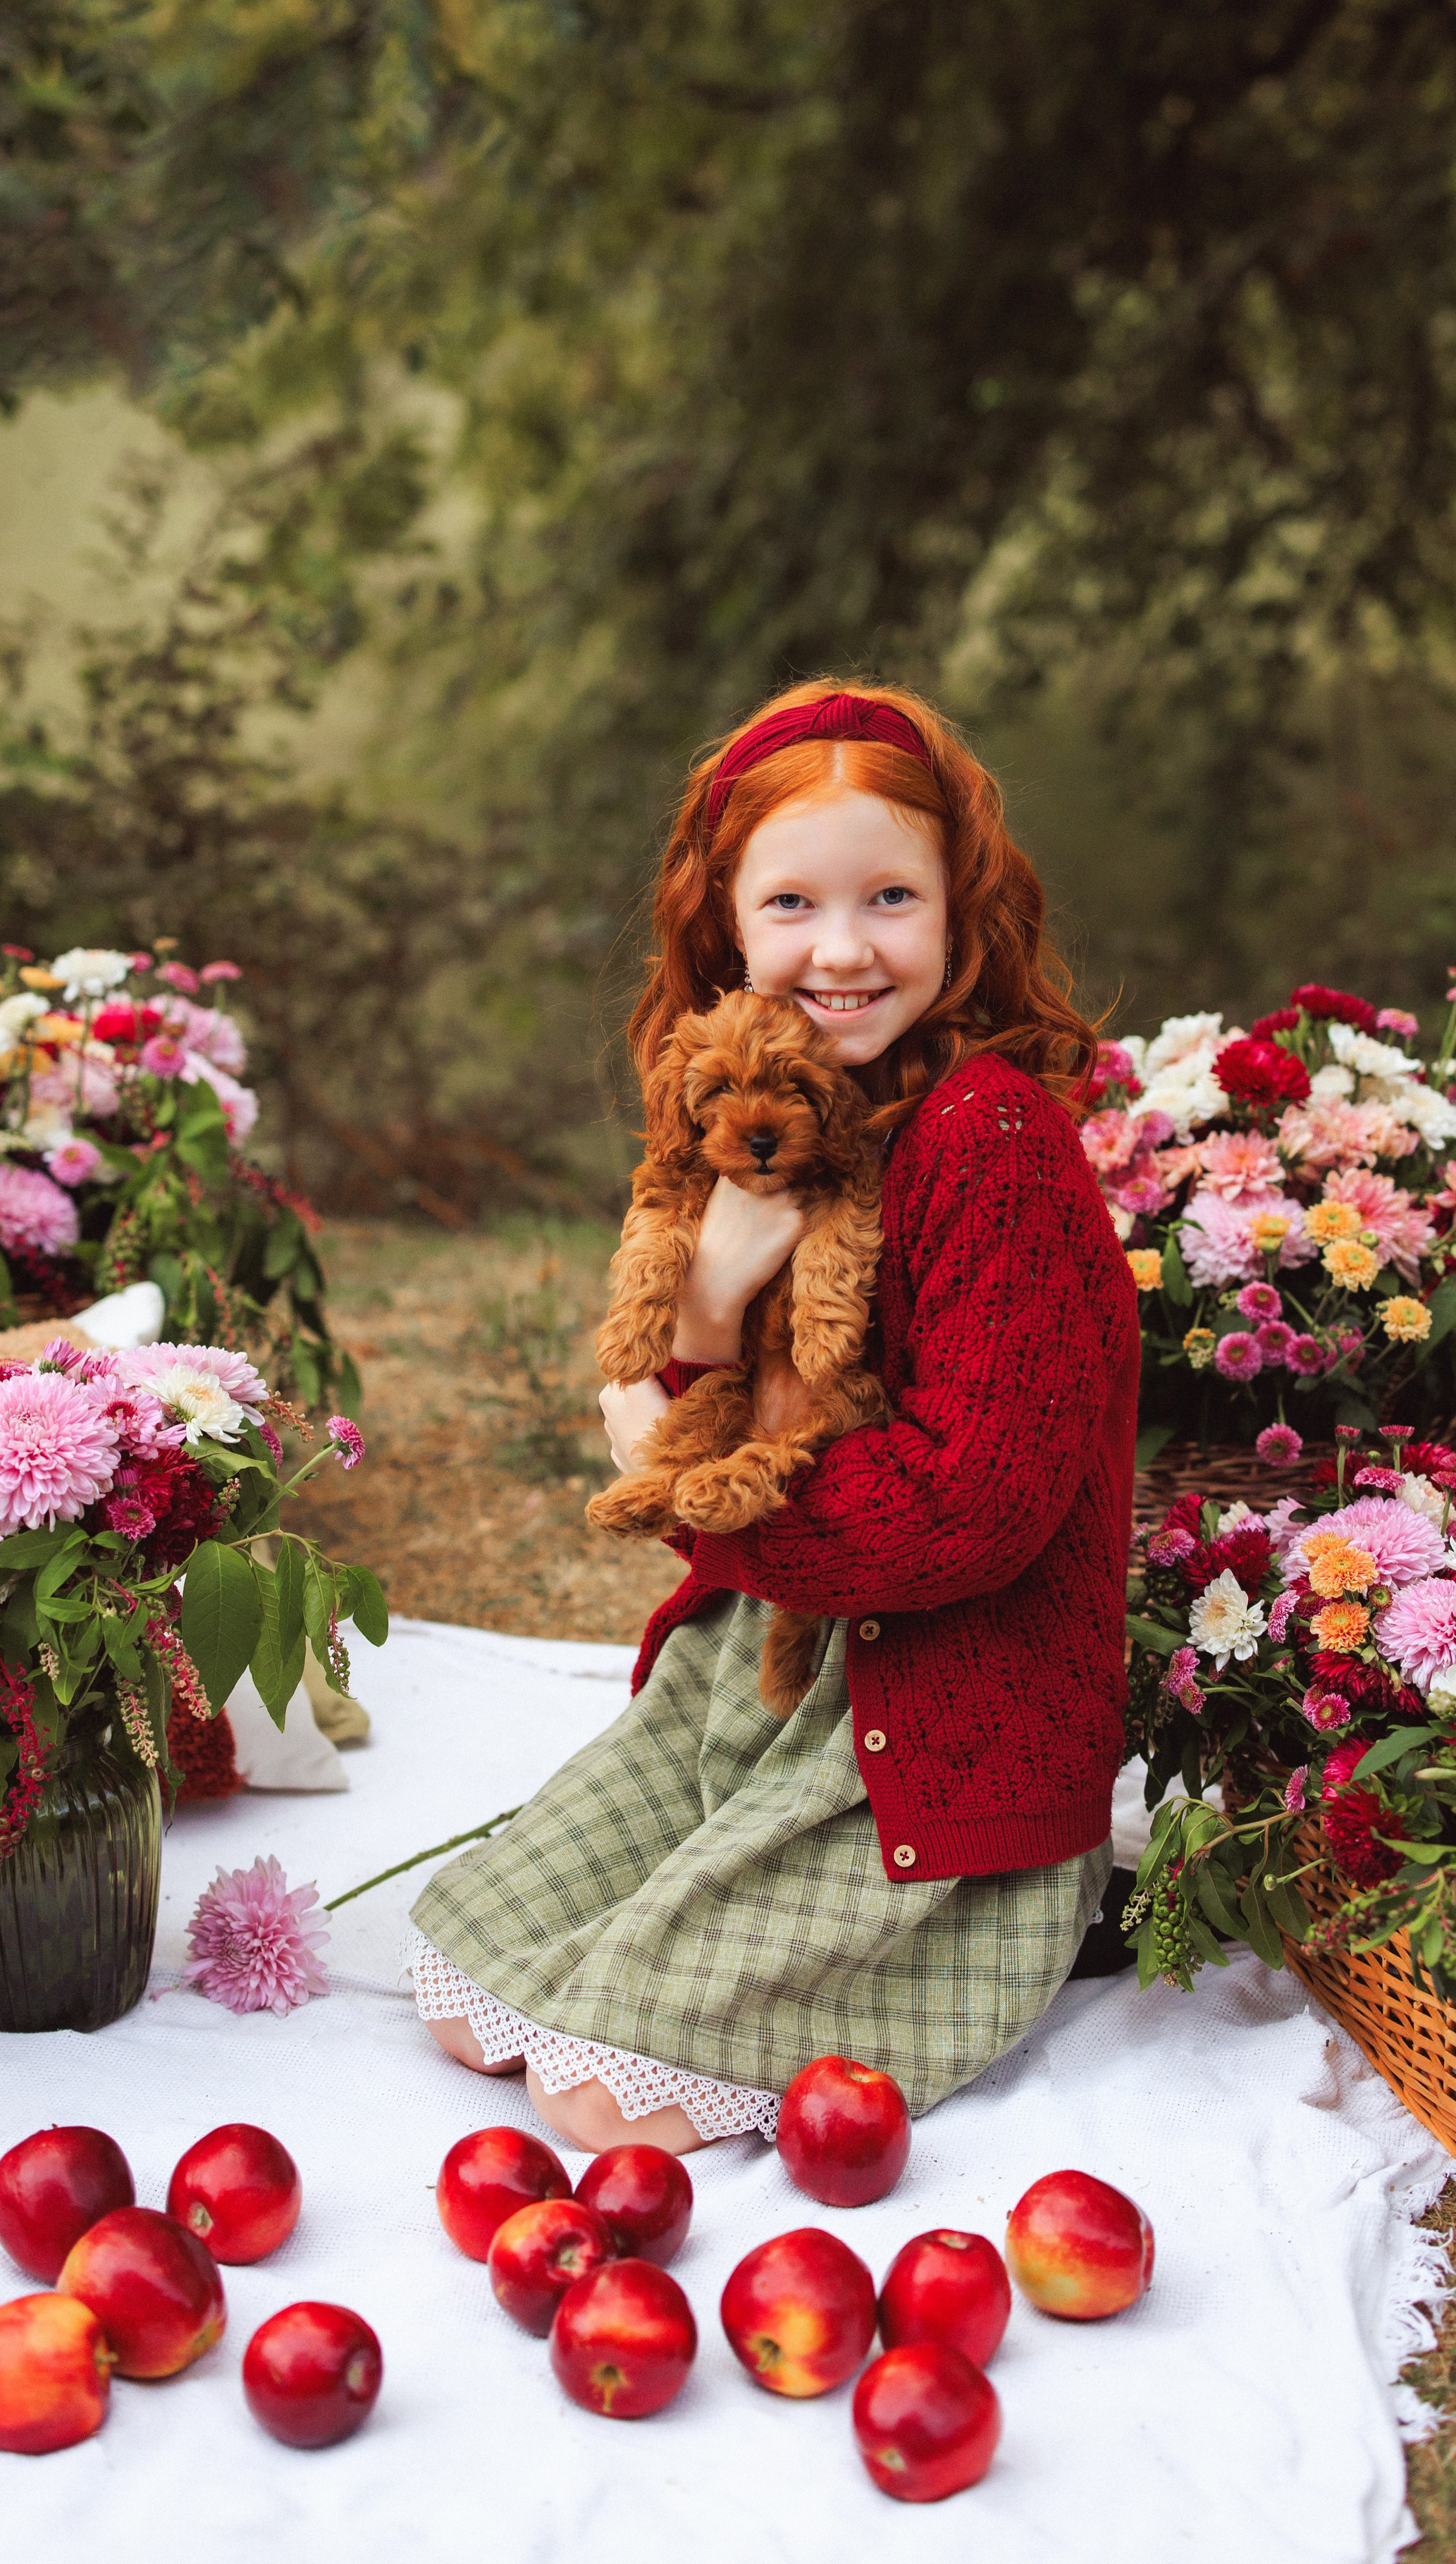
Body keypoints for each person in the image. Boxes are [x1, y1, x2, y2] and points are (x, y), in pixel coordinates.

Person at [406, 679, 1139, 2153]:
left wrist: (676, 1480)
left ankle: (1034, 1919)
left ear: (960, 911)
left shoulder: (990, 1139)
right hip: (773, 1664)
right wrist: (699, 1315)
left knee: (597, 2090)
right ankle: (712, 1865)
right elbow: (713, 1388)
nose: (845, 946)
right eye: (793, 899)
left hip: (936, 1716)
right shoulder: (768, 1113)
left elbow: (966, 1512)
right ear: (726, 920)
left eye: (891, 895)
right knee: (465, 1972)